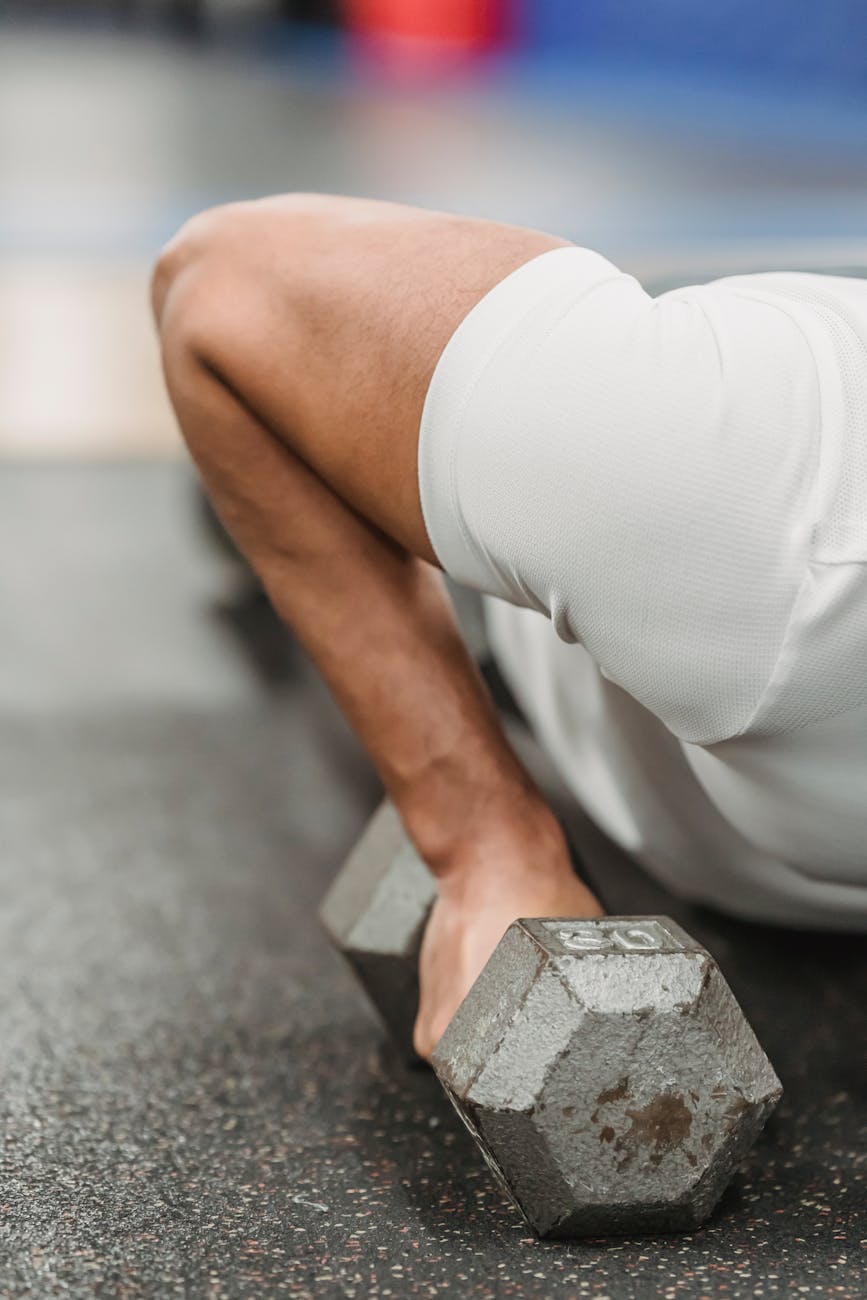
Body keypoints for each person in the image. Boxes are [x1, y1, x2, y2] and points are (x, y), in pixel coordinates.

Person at [151, 194, 867, 1058]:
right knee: (318, 427)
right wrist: (481, 846)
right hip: (541, 606)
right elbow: (220, 282)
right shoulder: (745, 493)